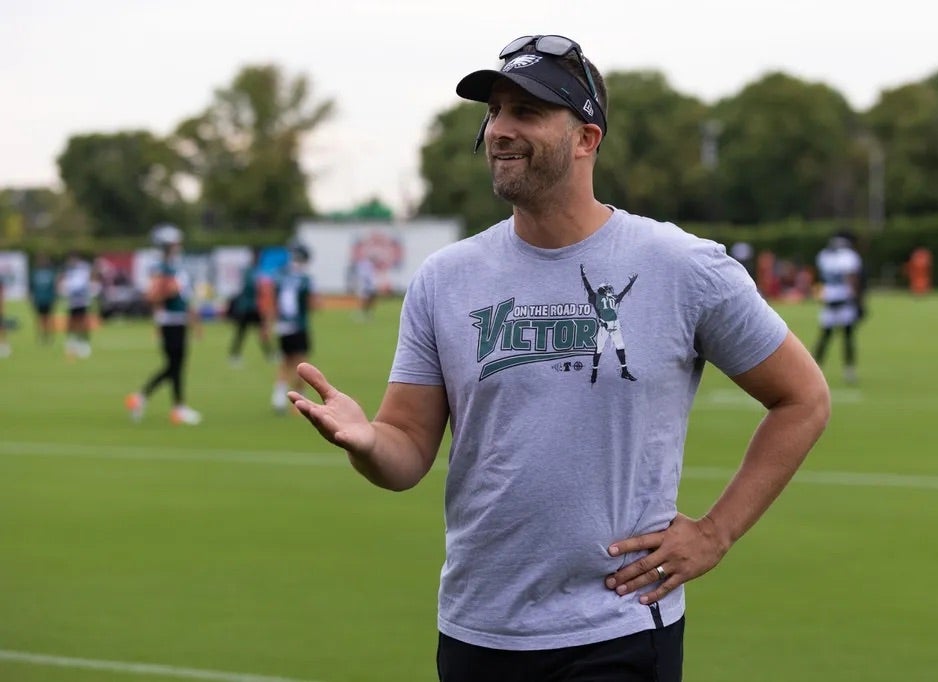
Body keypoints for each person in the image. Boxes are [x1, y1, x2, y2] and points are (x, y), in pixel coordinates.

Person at [287, 34, 830, 682]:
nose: (500, 131)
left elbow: (803, 398)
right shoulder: (445, 278)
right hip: (477, 629)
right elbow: (406, 448)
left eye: (526, 112)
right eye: (495, 112)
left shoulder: (683, 267)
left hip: (617, 628)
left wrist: (716, 533)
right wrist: (367, 441)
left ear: (586, 138)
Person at [125, 224, 202, 425]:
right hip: (170, 321)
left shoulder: (174, 266)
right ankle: (144, 398)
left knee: (176, 366)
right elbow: (152, 296)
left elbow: (185, 297)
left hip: (179, 320)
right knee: (174, 366)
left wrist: (194, 320)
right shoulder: (161, 268)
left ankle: (175, 406)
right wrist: (169, 291)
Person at [266, 240, 314, 414]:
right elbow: (311, 302)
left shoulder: (280, 275)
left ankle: (278, 397)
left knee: (285, 362)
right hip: (298, 325)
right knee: (301, 363)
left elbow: (274, 302)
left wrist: (269, 324)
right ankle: (300, 399)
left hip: (282, 325)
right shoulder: (304, 279)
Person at [812, 232, 865, 384]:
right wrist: (859, 301)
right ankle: (849, 369)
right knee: (847, 337)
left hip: (829, 299)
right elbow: (852, 279)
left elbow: (821, 278)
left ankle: (815, 368)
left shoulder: (824, 256)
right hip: (844, 300)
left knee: (825, 337)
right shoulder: (849, 257)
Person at [228, 246, 274, 367]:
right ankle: (234, 355)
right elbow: (250, 287)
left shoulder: (258, 271)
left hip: (255, 308)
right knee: (241, 332)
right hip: (247, 308)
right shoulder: (248, 271)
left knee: (261, 331)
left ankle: (269, 353)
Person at [60, 251, 96, 359]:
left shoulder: (83, 269)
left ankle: (84, 341)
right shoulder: (68, 269)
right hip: (71, 301)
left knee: (82, 321)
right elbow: (64, 283)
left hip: (82, 300)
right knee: (72, 321)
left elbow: (87, 281)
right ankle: (72, 340)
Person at [29, 253, 59, 345]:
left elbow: (55, 287)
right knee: (39, 319)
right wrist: (31, 298)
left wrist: (55, 298)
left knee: (49, 319)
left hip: (49, 299)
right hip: (38, 299)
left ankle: (49, 337)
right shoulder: (34, 272)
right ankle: (41, 336)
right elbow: (31, 287)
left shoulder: (51, 272)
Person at [353, 255, 378, 321]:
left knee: (366, 301)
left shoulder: (365, 265)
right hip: (368, 286)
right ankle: (365, 315)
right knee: (366, 301)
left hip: (367, 286)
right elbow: (367, 276)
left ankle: (365, 315)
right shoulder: (367, 265)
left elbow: (365, 276)